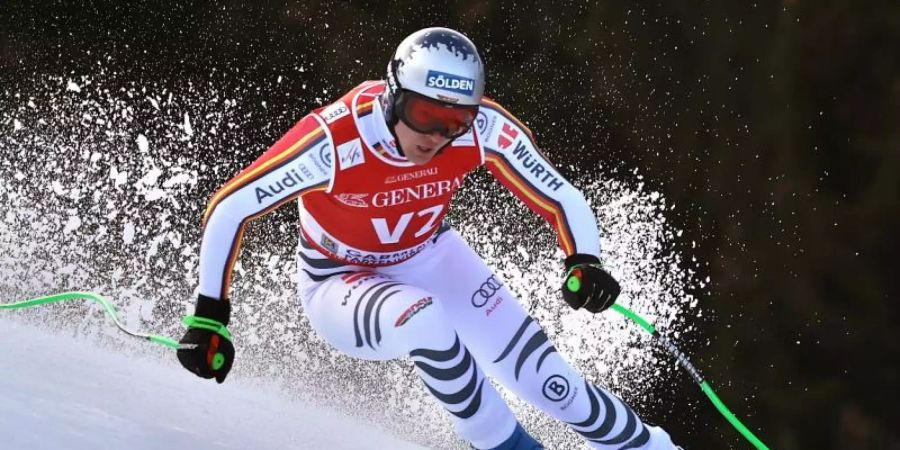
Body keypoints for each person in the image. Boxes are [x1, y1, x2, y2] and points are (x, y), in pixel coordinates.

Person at [176, 27, 681, 450]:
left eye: (455, 123)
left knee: (553, 383)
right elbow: (231, 206)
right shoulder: (335, 140)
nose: (437, 137)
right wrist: (210, 316)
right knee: (423, 319)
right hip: (339, 280)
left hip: (429, 255)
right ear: (394, 93)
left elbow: (560, 195)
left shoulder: (484, 130)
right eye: (424, 116)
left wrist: (583, 260)